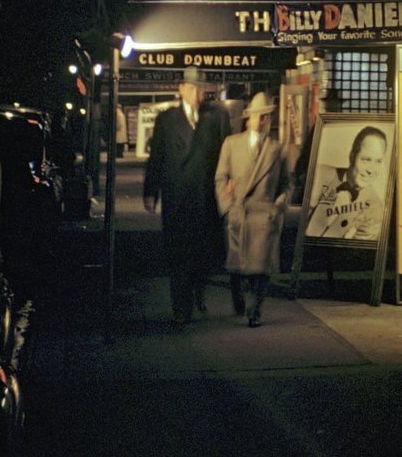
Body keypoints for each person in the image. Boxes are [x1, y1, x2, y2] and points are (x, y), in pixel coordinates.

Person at [143, 69, 231, 330]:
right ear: (181, 89)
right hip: (177, 197)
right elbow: (156, 157)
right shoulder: (167, 119)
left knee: (203, 253)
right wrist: (151, 191)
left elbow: (226, 152)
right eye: (193, 88)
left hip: (206, 198)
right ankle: (181, 308)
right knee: (179, 254)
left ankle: (197, 291)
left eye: (201, 89)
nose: (198, 94)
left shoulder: (216, 117)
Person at [215, 92, 292, 327]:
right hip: (239, 214)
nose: (263, 121)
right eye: (259, 116)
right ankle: (238, 298)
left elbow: (286, 183)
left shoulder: (276, 149)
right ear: (248, 118)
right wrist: (227, 209)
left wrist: (278, 207)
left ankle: (254, 311)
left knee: (260, 269)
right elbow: (220, 178)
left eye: (267, 116)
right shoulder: (232, 143)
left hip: (263, 215)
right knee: (238, 267)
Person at [305, 125, 388, 241]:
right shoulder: (319, 174)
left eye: (378, 161)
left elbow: (354, 254)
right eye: (366, 159)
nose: (371, 170)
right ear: (352, 156)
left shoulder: (375, 211)